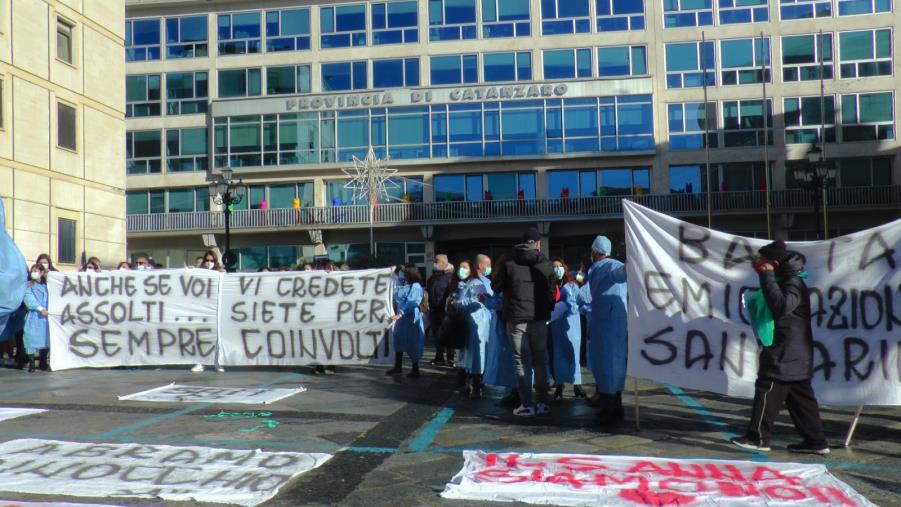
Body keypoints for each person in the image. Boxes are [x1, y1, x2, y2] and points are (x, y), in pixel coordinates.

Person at [731, 240, 829, 455]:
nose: (758, 263)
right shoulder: (788, 280)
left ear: (774, 264)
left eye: (763, 261)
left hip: (785, 351)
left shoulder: (792, 283)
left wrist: (766, 276)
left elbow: (780, 307)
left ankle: (757, 437)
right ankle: (816, 441)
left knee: (767, 388)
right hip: (795, 352)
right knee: (801, 399)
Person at [492, 227, 556, 417]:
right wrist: (547, 309)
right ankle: (542, 403)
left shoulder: (509, 262)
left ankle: (527, 404)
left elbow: (496, 287)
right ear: (538, 244)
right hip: (539, 318)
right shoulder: (547, 264)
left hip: (516, 318)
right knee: (540, 361)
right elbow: (552, 293)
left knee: (521, 361)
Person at [587, 235, 628, 427]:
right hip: (608, 322)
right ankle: (613, 405)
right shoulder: (600, 267)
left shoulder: (609, 266)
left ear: (595, 251)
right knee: (610, 363)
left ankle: (611, 408)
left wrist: (630, 263)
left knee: (609, 363)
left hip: (609, 322)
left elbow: (620, 273)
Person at [446, 260, 491, 399]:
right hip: (462, 324)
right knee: (464, 354)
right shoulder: (458, 286)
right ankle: (467, 384)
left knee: (476, 355)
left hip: (476, 323)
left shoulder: (477, 284)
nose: (462, 270)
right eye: (460, 267)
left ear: (471, 269)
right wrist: (450, 306)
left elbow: (478, 301)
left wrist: (458, 304)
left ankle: (477, 386)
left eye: (465, 267)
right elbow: (450, 303)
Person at [479, 254, 518, 405]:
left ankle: (516, 392)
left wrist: (487, 301)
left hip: (506, 323)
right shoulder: (509, 281)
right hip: (505, 322)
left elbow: (502, 302)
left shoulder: (507, 282)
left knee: (511, 359)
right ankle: (512, 391)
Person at [549, 258, 586, 400]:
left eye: (559, 266)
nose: (557, 269)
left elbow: (578, 300)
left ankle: (577, 384)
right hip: (557, 322)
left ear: (564, 268)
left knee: (574, 353)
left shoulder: (571, 283)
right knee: (558, 354)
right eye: (554, 267)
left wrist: (569, 306)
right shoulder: (550, 284)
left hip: (572, 323)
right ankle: (559, 385)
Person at [388, 265, 425, 378]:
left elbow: (412, 302)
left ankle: (415, 368)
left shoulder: (416, 286)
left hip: (411, 318)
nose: (402, 274)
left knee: (413, 342)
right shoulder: (403, 284)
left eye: (404, 273)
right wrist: (398, 278)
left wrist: (400, 314)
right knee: (398, 339)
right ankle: (398, 366)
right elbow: (397, 294)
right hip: (402, 319)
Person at [427, 254, 455, 366]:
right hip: (434, 310)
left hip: (445, 311)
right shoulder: (434, 276)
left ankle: (450, 358)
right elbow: (428, 290)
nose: (434, 263)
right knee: (437, 335)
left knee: (448, 334)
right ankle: (439, 357)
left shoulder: (451, 277)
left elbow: (452, 293)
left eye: (436, 261)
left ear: (444, 263)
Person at [23, 264, 50, 372]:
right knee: (30, 338)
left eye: (36, 271)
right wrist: (40, 308)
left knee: (45, 339)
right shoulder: (28, 285)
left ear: (42, 273)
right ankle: (32, 363)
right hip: (34, 315)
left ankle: (43, 362)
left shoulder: (47, 286)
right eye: (32, 271)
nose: (33, 273)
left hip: (46, 317)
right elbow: (28, 298)